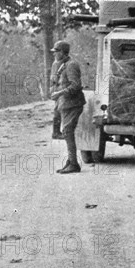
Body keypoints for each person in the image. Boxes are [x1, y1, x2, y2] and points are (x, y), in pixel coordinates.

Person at [50, 40, 86, 174]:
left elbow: (75, 86)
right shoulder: (61, 64)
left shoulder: (71, 65)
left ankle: (74, 164)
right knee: (66, 132)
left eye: (56, 52)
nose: (54, 54)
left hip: (73, 104)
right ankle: (71, 162)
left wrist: (59, 93)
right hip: (65, 104)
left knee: (67, 132)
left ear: (63, 52)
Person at [50, 57, 64, 140]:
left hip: (59, 87)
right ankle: (56, 132)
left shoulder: (59, 62)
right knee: (58, 110)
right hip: (58, 88)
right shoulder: (57, 63)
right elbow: (54, 78)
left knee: (58, 109)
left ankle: (57, 132)